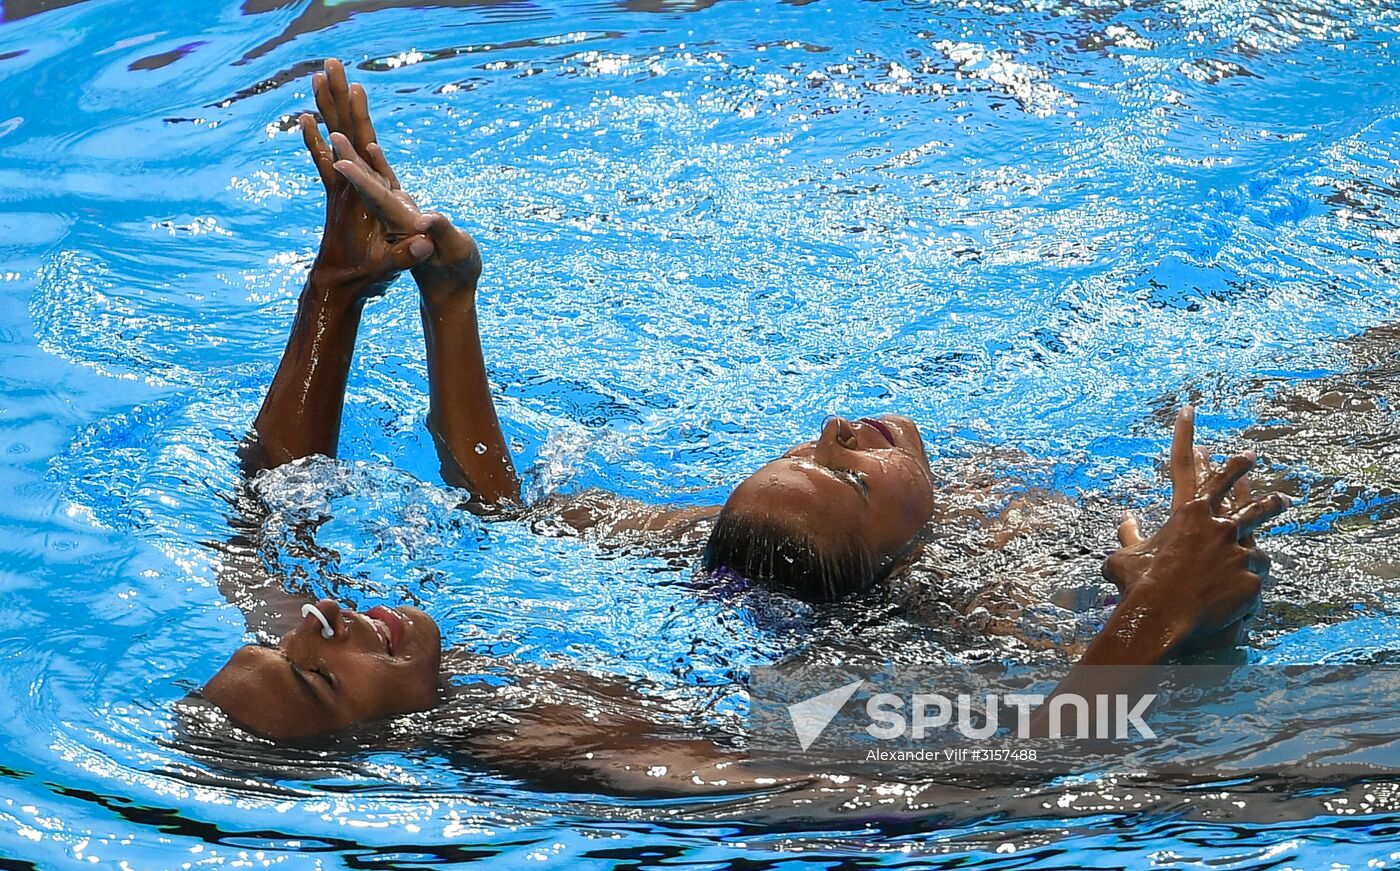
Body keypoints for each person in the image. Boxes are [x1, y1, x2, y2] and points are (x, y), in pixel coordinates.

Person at [199, 61, 1290, 787]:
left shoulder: (687, 571)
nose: (313, 622)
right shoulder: (587, 752)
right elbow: (967, 780)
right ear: (353, 747)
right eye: (307, 671)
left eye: (279, 636)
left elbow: (280, 517)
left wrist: (358, 294)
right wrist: (1152, 619)